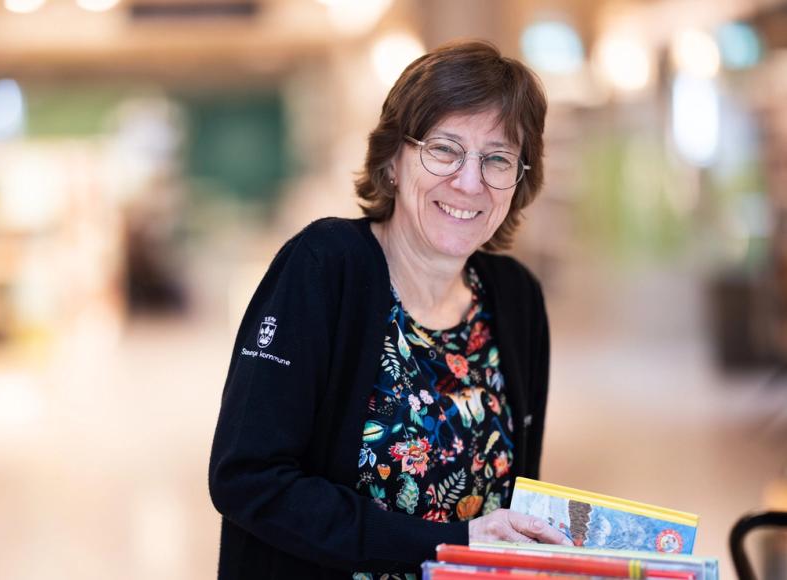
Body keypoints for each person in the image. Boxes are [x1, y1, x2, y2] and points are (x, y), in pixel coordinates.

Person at [208, 40, 571, 579]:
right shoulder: (326, 267)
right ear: (393, 161)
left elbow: (513, 507)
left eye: (497, 158)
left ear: (518, 183)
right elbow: (248, 478)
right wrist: (449, 543)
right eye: (445, 149)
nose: (469, 182)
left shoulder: (515, 298)